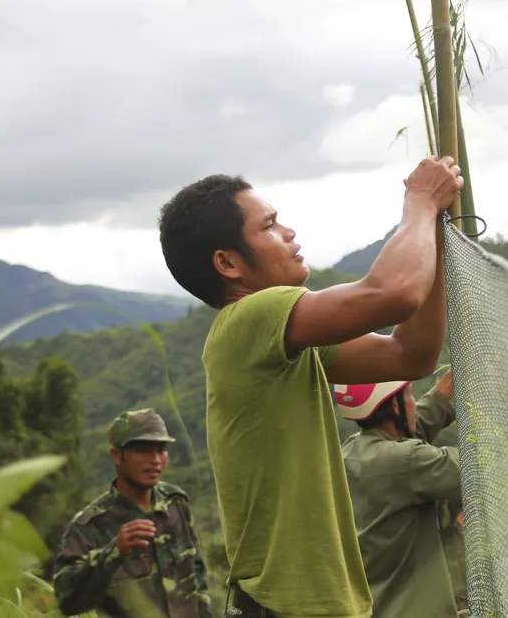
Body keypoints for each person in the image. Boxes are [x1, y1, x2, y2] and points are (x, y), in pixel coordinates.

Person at [157, 155, 463, 618]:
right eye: (270, 227)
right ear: (228, 263)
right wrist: (419, 202)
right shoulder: (250, 317)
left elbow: (410, 356)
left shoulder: (288, 346)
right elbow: (393, 294)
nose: (289, 234)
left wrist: (433, 239)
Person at [53, 409, 211, 618]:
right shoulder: (90, 526)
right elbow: (67, 601)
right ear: (117, 456)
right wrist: (113, 552)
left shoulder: (175, 503)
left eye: (161, 449)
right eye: (144, 450)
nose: (155, 460)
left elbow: (196, 577)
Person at [336, 368, 461, 618]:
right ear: (395, 405)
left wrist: (441, 396)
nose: (414, 403)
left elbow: (405, 440)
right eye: (410, 396)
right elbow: (468, 467)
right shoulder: (405, 463)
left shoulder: (349, 453)